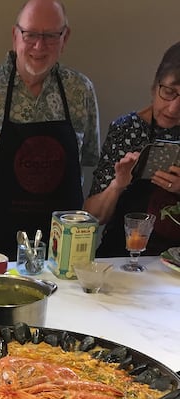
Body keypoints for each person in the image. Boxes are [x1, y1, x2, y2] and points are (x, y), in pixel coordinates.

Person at [0, 0, 100, 262]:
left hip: (58, 248)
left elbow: (86, 159)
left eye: (51, 35)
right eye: (30, 35)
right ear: (15, 35)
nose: (40, 45)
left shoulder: (80, 91)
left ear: (65, 38)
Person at [84, 42, 180, 256]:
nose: (174, 108)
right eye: (169, 92)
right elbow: (92, 216)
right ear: (154, 88)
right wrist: (117, 185)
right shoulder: (127, 129)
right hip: (121, 256)